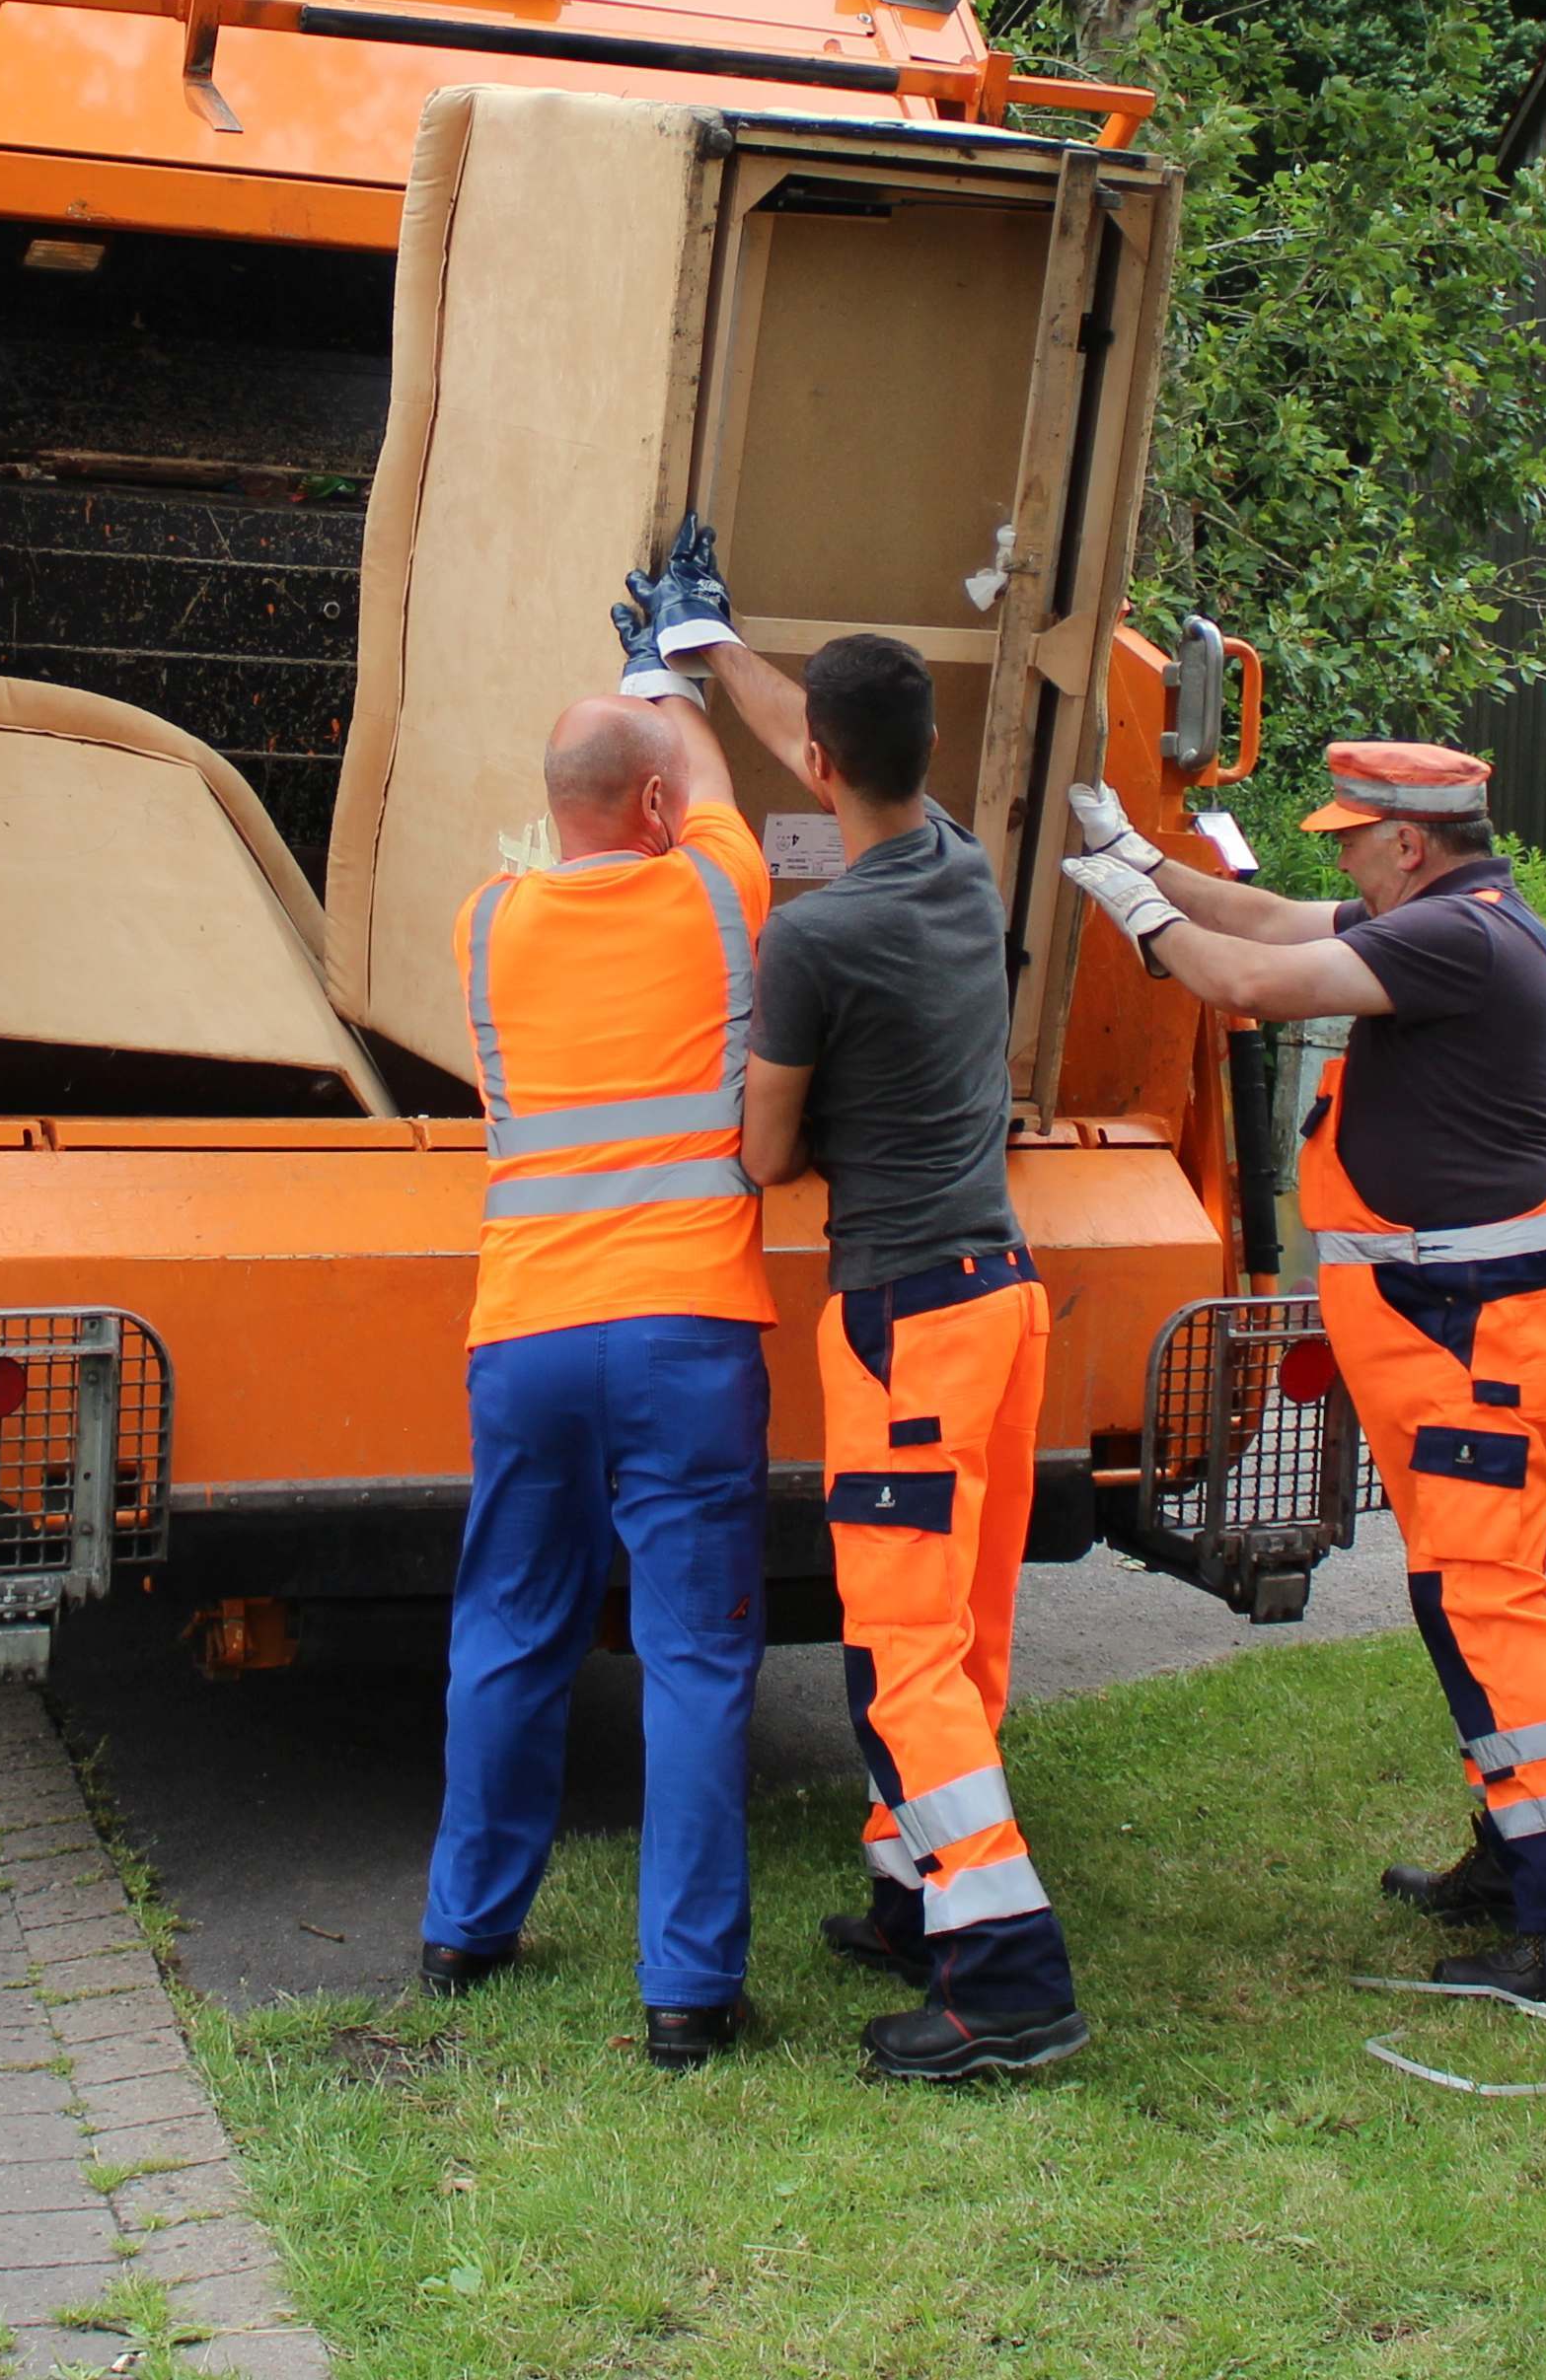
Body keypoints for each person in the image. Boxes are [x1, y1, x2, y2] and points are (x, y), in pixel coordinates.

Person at [1056, 740, 1546, 2010]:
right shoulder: (1458, 919)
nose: (1334, 852)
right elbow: (1268, 916)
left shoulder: (1456, 941)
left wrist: (1133, 910)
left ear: (1408, 840)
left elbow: (1243, 976)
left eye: (1348, 835)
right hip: (1468, 1326)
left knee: (1489, 1601)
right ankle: (1519, 1857)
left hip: (1477, 1335)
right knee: (1463, 1595)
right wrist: (1138, 854)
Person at [644, 525, 1089, 2083]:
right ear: (925, 756)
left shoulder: (813, 935)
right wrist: (711, 647)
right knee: (960, 1628)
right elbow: (812, 728)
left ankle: (1011, 1978)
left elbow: (760, 1155)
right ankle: (917, 1894)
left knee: (901, 1647)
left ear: (828, 766)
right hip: (1002, 1298)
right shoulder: (957, 864)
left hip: (900, 1309)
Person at [417, 593, 777, 2073]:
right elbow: (715, 798)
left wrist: (620, 687)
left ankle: (467, 1928)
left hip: (531, 1331)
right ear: (654, 805)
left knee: (509, 1625)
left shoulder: (485, 925)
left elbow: (629, 793)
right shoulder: (715, 896)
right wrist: (681, 653)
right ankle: (687, 1992)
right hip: (687, 1327)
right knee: (693, 1654)